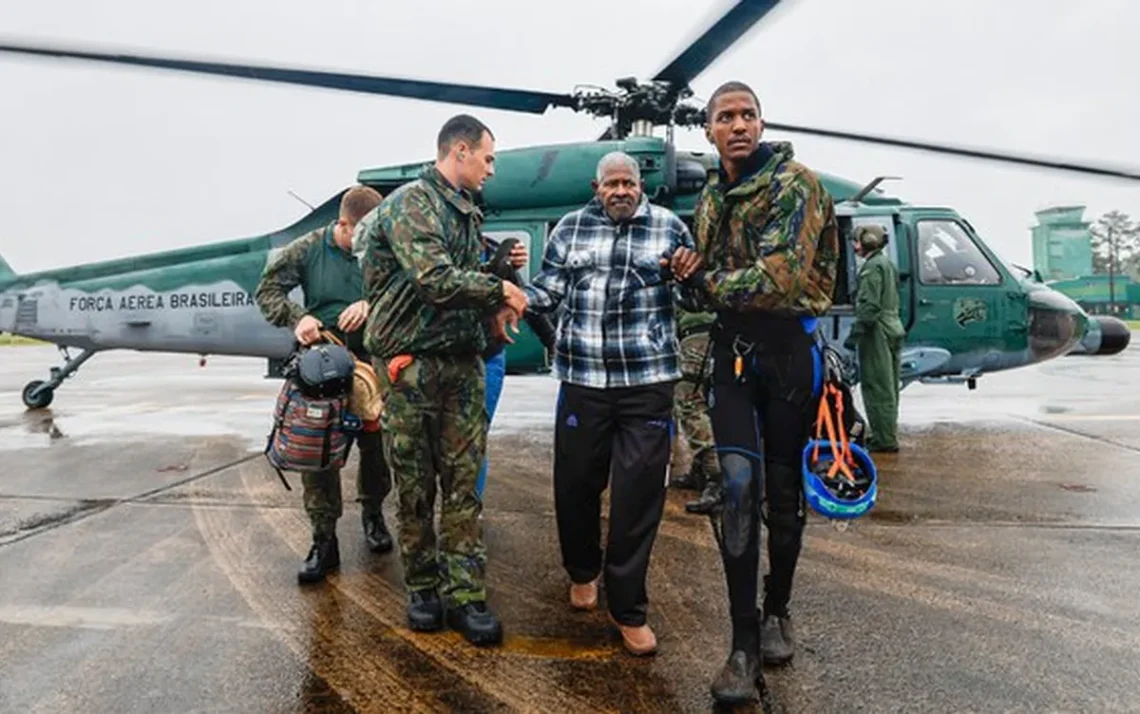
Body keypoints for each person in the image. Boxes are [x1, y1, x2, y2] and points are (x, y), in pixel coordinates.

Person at [672, 80, 839, 705]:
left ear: (761, 125)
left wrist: (706, 280)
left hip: (790, 356)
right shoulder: (712, 197)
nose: (738, 125)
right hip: (732, 354)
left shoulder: (796, 184)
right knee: (738, 487)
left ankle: (778, 610)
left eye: (748, 115)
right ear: (709, 130)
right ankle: (742, 646)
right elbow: (709, 288)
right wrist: (687, 276)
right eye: (725, 117)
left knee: (784, 493)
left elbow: (782, 277)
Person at [356, 113, 528, 647]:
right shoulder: (413, 203)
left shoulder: (466, 212)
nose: (491, 170)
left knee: (463, 485)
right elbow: (433, 280)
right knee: (415, 486)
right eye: (488, 158)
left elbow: (464, 283)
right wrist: (500, 290)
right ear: (459, 151)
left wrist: (496, 296)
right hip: (412, 368)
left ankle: (467, 594)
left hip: (462, 365)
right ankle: (423, 588)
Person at [519, 151, 700, 657]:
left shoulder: (670, 228)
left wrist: (691, 278)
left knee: (639, 497)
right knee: (575, 484)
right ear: (596, 188)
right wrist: (512, 297)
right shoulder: (570, 230)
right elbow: (549, 290)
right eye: (611, 183)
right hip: (583, 380)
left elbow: (695, 300)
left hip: (647, 381)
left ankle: (628, 609)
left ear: (641, 187)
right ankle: (582, 570)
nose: (620, 190)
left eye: (629, 183)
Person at [254, 184, 392, 584]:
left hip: (370, 367)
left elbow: (406, 290)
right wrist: (298, 317)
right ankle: (323, 541)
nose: (368, 242)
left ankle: (373, 515)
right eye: (361, 234)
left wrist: (372, 305)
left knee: (377, 450)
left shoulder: (381, 248)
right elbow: (267, 290)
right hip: (321, 369)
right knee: (317, 454)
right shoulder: (309, 248)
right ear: (343, 224)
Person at [843, 224, 904, 453]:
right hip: (893, 325)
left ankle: (884, 439)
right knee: (890, 387)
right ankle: (887, 432)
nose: (855, 245)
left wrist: (855, 335)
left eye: (857, 241)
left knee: (877, 386)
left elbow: (870, 306)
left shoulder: (871, 268)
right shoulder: (886, 264)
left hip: (877, 330)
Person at [673, 307, 723, 514]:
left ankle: (716, 477)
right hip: (712, 331)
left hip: (698, 334)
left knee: (690, 403)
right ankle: (701, 470)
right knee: (702, 403)